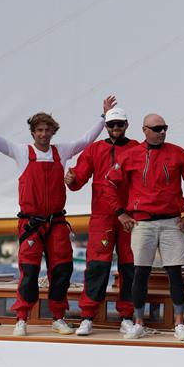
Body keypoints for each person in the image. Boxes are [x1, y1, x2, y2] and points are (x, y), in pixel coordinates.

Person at [0, 85, 113, 336]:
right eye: (39, 130)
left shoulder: (62, 152)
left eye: (48, 130)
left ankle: (58, 317)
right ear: (33, 132)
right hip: (31, 225)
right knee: (30, 272)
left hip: (57, 223)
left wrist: (104, 118)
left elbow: (86, 140)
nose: (43, 134)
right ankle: (22, 318)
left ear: (53, 131)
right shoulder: (21, 152)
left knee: (62, 270)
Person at [104, 113, 184, 341]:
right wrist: (120, 212)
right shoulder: (131, 155)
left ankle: (179, 324)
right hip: (142, 222)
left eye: (164, 128)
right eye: (157, 129)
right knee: (140, 272)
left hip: (171, 221)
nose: (162, 132)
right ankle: (138, 323)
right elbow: (108, 183)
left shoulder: (178, 153)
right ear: (144, 130)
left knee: (175, 273)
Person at [65, 107, 138, 336]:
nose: (116, 128)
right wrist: (71, 179)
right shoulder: (95, 149)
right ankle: (87, 317)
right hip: (102, 216)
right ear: (106, 126)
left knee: (130, 268)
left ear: (127, 125)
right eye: (111, 124)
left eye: (120, 124)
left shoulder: (137, 148)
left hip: (130, 217)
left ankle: (126, 316)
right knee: (97, 267)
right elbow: (79, 178)